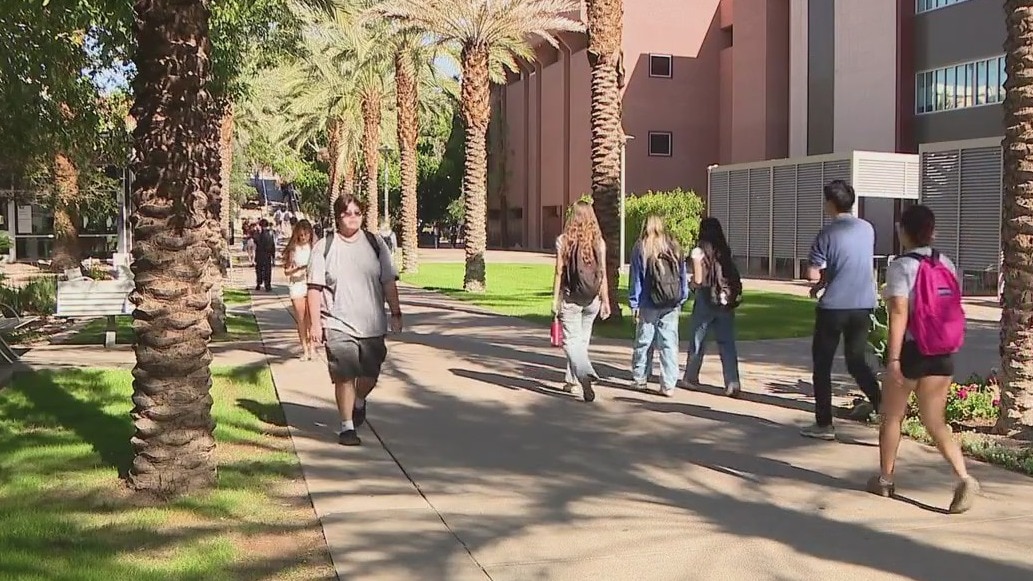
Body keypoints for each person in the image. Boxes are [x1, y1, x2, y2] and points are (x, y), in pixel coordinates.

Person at [866, 204, 978, 513]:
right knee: (935, 421)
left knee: (892, 416)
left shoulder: (901, 266)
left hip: (913, 350)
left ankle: (885, 479)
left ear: (903, 232)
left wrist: (893, 360)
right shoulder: (946, 262)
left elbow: (899, 312)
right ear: (932, 232)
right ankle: (964, 476)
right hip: (942, 352)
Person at [308, 195, 401, 447]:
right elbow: (314, 288)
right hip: (337, 323)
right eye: (347, 213)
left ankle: (359, 401)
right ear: (338, 217)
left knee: (369, 375)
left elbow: (388, 281)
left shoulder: (375, 244)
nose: (352, 218)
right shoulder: (325, 247)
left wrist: (396, 312)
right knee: (344, 375)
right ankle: (347, 426)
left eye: (357, 213)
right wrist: (315, 324)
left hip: (372, 324)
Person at [801, 180, 882, 440]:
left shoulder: (826, 233)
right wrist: (824, 281)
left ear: (830, 203)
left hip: (834, 307)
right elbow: (847, 262)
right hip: (863, 303)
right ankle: (883, 406)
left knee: (822, 364)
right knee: (856, 360)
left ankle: (824, 423)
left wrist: (817, 281)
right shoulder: (867, 229)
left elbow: (813, 272)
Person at [551, 200, 611, 402]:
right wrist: (605, 300)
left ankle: (583, 374)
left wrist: (555, 298)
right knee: (582, 341)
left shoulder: (563, 240)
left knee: (571, 341)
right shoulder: (599, 242)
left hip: (571, 298)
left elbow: (559, 271)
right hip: (592, 299)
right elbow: (602, 273)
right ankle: (573, 380)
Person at [681, 217, 743, 397]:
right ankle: (732, 382)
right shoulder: (724, 251)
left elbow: (699, 279)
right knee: (727, 343)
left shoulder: (698, 251)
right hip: (725, 300)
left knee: (698, 341)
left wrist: (691, 285)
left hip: (705, 298)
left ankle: (691, 377)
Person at [628, 215, 689, 396]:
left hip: (648, 302)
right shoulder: (674, 246)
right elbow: (682, 274)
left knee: (644, 341)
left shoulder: (641, 247)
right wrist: (682, 296)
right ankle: (668, 383)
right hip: (671, 301)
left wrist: (634, 302)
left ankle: (640, 377)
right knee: (668, 343)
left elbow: (636, 279)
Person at [284, 219, 316, 361]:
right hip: (297, 284)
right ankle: (305, 349)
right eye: (301, 235)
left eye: (306, 234)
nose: (303, 237)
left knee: (312, 318)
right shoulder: (293, 249)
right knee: (301, 319)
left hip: (311, 284)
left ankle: (312, 348)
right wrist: (296, 269)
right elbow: (287, 271)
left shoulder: (313, 247)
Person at [253, 219, 276, 292]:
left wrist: (256, 231)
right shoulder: (270, 234)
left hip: (260, 254)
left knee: (259, 270)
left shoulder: (259, 234)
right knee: (267, 271)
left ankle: (259, 283)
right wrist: (273, 256)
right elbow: (273, 246)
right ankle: (267, 285)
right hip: (267, 255)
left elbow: (255, 240)